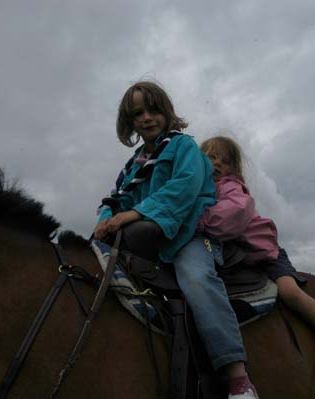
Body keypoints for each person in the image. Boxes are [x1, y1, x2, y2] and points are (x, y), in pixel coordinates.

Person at [93, 82, 258, 399]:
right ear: (129, 121)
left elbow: (184, 187)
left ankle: (238, 377)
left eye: (153, 109)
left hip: (187, 238)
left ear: (166, 112)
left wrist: (137, 213)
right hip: (149, 241)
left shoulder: (185, 147)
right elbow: (116, 200)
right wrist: (105, 221)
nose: (146, 118)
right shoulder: (134, 165)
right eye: (137, 113)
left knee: (197, 280)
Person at [197, 136, 315, 372]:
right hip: (238, 257)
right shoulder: (202, 191)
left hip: (266, 254)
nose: (217, 164)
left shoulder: (232, 188)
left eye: (224, 160)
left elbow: (231, 216)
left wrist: (197, 219)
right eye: (210, 157)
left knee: (289, 291)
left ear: (234, 169)